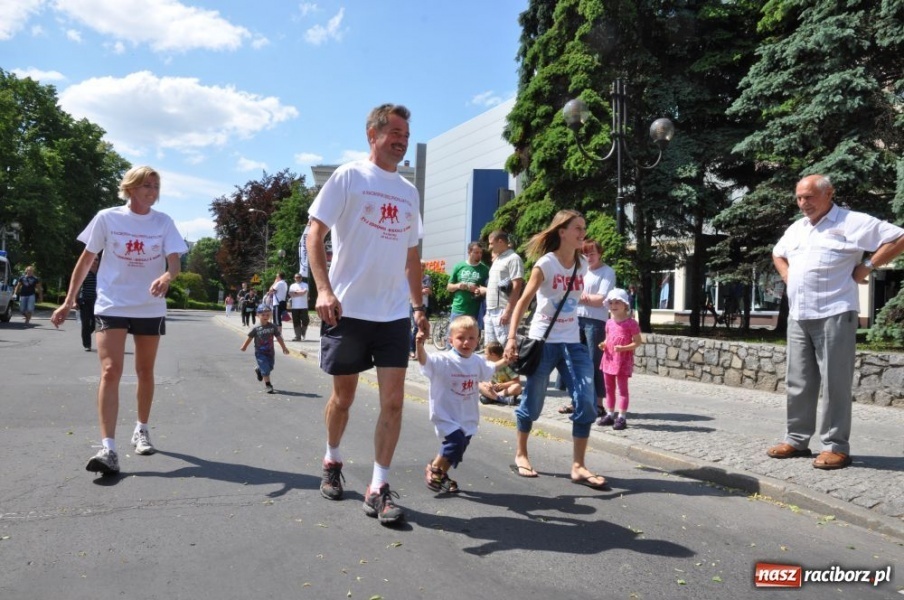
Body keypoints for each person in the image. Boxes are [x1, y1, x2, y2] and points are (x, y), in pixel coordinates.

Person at [306, 103, 427, 525]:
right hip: (348, 309)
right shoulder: (349, 177)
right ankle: (333, 459)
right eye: (394, 132)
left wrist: (417, 307)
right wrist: (323, 289)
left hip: (392, 314)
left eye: (406, 135)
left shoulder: (409, 192)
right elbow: (314, 233)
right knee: (344, 398)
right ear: (372, 135)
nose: (401, 140)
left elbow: (412, 257)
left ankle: (378, 487)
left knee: (393, 402)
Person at [50, 165, 188, 476]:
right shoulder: (107, 217)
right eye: (146, 186)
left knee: (144, 370)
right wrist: (68, 300)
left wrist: (167, 276)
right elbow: (86, 259)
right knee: (111, 370)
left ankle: (141, 428)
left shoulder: (164, 222)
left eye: (155, 186)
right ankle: (108, 448)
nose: (152, 192)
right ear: (130, 188)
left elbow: (175, 261)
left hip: (150, 307)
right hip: (112, 304)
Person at [768, 174, 904, 470]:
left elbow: (899, 236)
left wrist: (867, 266)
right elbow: (778, 253)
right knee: (798, 382)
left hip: (835, 312)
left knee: (834, 383)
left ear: (829, 193)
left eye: (809, 197)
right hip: (799, 315)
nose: (803, 203)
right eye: (799, 198)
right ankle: (796, 439)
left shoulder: (851, 221)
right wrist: (786, 275)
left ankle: (835, 446)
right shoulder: (797, 228)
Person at [502, 209, 607, 490]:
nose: (583, 233)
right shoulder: (545, 265)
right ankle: (521, 453)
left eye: (584, 228)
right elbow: (523, 302)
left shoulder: (582, 263)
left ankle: (578, 466)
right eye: (577, 228)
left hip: (573, 342)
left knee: (586, 400)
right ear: (562, 231)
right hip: (543, 342)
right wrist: (512, 338)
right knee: (533, 403)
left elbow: (578, 295)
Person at [416, 316, 495, 494]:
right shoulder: (443, 360)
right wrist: (419, 345)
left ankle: (442, 475)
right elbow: (424, 362)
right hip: (445, 414)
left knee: (460, 445)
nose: (466, 342)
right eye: (461, 338)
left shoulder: (477, 361)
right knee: (455, 442)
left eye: (471, 338)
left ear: (478, 340)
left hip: (467, 415)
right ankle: (435, 468)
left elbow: (490, 369)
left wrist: (506, 360)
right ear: (450, 340)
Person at [560, 239, 615, 416]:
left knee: (594, 362)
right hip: (575, 319)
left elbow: (601, 300)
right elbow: (568, 291)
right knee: (573, 360)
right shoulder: (579, 270)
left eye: (592, 253)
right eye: (585, 254)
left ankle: (598, 403)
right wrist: (582, 297)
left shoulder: (607, 272)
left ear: (600, 253)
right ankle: (576, 400)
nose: (589, 257)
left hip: (595, 322)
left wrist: (580, 296)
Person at [597, 288, 643, 430]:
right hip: (609, 359)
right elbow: (608, 338)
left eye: (617, 302)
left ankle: (622, 417)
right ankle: (610, 414)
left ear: (625, 305)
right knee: (609, 388)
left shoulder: (631, 323)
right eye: (611, 303)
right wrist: (604, 344)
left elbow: (637, 342)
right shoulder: (609, 322)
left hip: (622, 361)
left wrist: (623, 348)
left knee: (622, 390)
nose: (614, 305)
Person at [483, 231, 525, 346]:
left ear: (500, 241)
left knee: (506, 346)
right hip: (490, 310)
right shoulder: (498, 259)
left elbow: (517, 286)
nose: (489, 247)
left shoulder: (513, 258)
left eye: (491, 243)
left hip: (502, 309)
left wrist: (508, 311)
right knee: (491, 348)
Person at [240, 304, 290, 394]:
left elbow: (279, 338)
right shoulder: (256, 328)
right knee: (266, 369)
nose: (265, 317)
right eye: (263, 315)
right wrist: (244, 346)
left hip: (270, 352)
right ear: (258, 315)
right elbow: (249, 338)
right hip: (260, 352)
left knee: (270, 367)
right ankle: (268, 385)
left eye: (268, 315)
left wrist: (284, 347)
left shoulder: (273, 326)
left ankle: (259, 370)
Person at [446, 242, 489, 324]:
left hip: (475, 311)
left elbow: (487, 289)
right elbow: (449, 287)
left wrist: (478, 291)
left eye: (480, 253)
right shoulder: (459, 266)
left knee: (473, 336)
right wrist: (458, 286)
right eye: (476, 252)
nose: (479, 255)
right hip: (458, 309)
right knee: (455, 335)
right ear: (469, 252)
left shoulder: (485, 269)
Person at [478, 340, 522, 406]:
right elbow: (483, 378)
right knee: (478, 384)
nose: (484, 356)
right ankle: (502, 399)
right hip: (494, 389)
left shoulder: (507, 365)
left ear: (493, 355)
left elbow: (516, 381)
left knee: (517, 387)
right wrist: (488, 383)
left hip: (506, 390)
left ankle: (493, 397)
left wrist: (503, 385)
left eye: (486, 354)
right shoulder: (488, 364)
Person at [77, 255, 100, 351]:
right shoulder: (85, 272)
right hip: (85, 300)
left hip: (97, 301)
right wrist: (74, 301)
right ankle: (87, 345)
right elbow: (77, 287)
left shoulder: (101, 272)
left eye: (96, 260)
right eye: (93, 259)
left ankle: (86, 333)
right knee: (85, 323)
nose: (94, 261)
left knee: (96, 323)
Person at [409, 261, 432, 358]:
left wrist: (426, 291)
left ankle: (420, 350)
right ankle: (411, 350)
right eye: (420, 266)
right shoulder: (412, 276)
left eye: (423, 266)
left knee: (423, 327)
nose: (422, 268)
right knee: (415, 327)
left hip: (424, 305)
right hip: (413, 304)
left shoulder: (427, 278)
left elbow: (429, 291)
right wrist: (421, 291)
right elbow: (410, 291)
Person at [288, 273, 310, 341]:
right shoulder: (292, 286)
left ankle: (303, 333)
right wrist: (299, 292)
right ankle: (298, 336)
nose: (298, 278)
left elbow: (304, 292)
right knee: (296, 321)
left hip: (304, 306)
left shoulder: (305, 284)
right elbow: (291, 294)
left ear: (301, 278)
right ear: (294, 278)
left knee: (305, 321)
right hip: (295, 307)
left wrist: (296, 293)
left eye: (299, 277)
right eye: (296, 277)